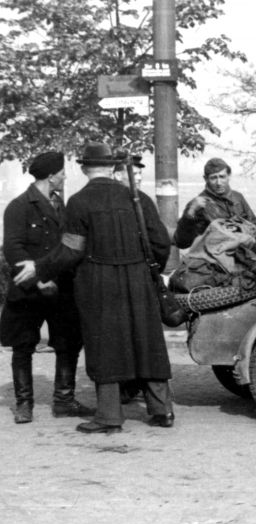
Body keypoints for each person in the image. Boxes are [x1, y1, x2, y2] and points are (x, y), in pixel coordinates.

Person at [13, 142, 175, 434]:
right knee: (147, 340)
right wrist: (145, 270)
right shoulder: (138, 199)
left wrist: (38, 267)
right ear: (113, 167)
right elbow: (161, 243)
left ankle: (110, 416)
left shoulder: (79, 202)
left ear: (85, 168)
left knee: (106, 344)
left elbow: (71, 250)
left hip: (99, 282)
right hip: (138, 278)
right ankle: (162, 410)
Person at [1, 151, 92, 423]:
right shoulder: (19, 206)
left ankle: (64, 401)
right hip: (29, 290)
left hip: (61, 289)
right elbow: (13, 249)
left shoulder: (61, 205)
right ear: (51, 176)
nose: (65, 176)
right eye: (62, 172)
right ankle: (24, 404)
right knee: (23, 346)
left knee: (68, 343)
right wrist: (40, 279)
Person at [173, 157, 256, 249]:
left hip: (244, 251)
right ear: (205, 179)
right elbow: (181, 242)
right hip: (216, 257)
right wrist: (190, 213)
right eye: (213, 178)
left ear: (229, 176)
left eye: (222, 177)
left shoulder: (237, 197)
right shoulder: (197, 205)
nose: (219, 183)